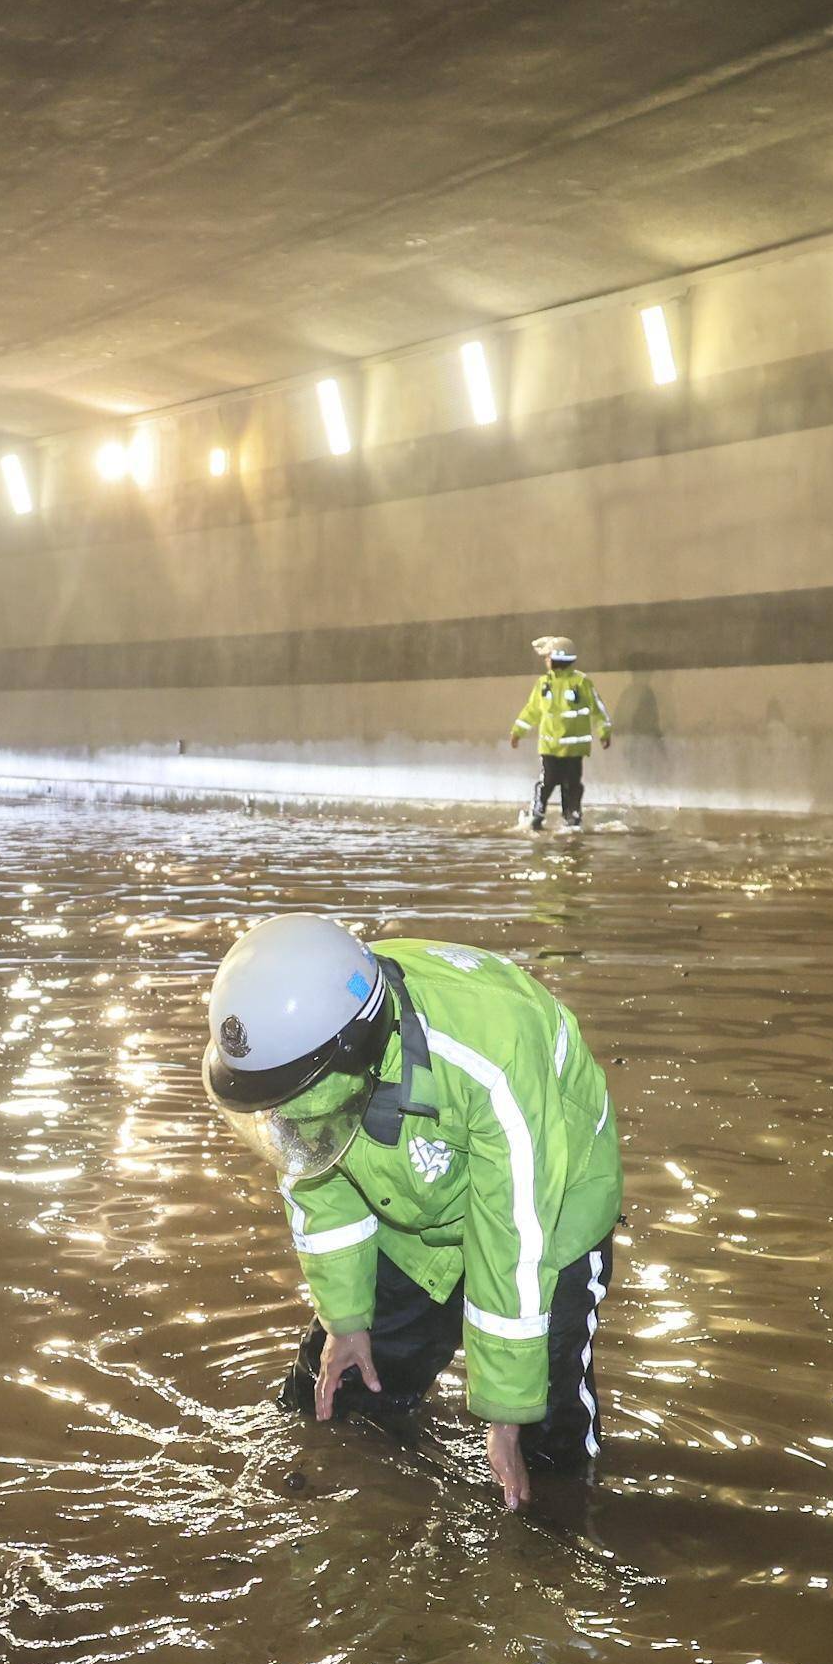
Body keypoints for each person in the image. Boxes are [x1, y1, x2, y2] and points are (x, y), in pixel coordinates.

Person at [203, 916, 621, 1510]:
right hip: (407, 1197)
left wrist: (505, 1413)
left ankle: (558, 1543)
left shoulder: (494, 1050)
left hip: (549, 1204)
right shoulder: (296, 1045)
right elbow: (318, 1182)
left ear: (355, 1055)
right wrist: (346, 1321)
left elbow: (515, 1233)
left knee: (541, 1441)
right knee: (339, 1396)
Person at [506, 634, 611, 831]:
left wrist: (604, 731)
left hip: (573, 749)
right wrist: (518, 731)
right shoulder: (544, 683)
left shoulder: (581, 682)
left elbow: (598, 708)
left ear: (557, 658)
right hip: (550, 747)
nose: (545, 661)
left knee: (571, 784)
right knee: (548, 781)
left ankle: (571, 816)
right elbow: (532, 710)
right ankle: (537, 813)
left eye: (547, 657)